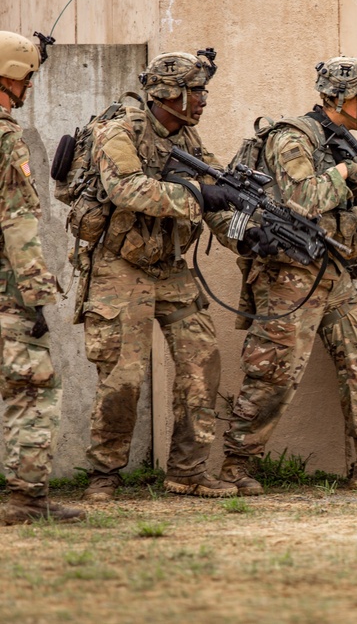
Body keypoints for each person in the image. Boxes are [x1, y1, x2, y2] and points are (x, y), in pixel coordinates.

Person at [220, 56, 357, 493]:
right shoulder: (294, 137)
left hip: (333, 272)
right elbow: (302, 198)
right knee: (274, 369)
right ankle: (235, 464)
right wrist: (348, 173)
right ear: (336, 97)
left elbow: (350, 216)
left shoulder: (339, 143)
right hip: (290, 272)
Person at [81, 50, 241, 501]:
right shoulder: (120, 132)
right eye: (197, 91)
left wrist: (248, 234)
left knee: (202, 360)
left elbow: (218, 197)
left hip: (168, 268)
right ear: (168, 94)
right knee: (122, 375)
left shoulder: (189, 141)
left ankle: (187, 472)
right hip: (119, 265)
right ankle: (104, 475)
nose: (203, 100)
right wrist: (198, 197)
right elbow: (126, 189)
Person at [0, 31, 84, 523]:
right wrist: (35, 295)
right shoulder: (6, 138)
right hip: (6, 293)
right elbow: (16, 221)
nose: (30, 87)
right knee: (34, 387)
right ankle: (27, 503)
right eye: (27, 77)